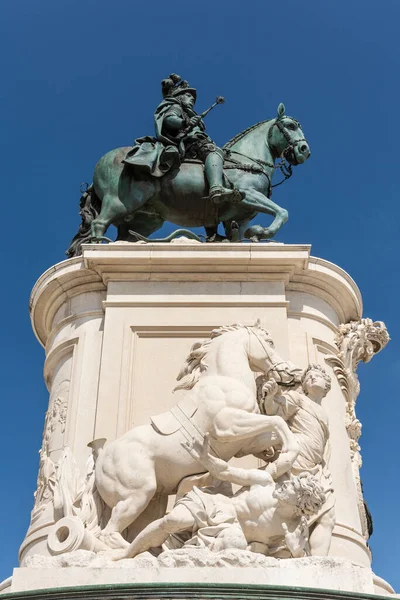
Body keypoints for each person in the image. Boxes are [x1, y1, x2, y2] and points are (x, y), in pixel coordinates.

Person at [110, 434, 325, 560]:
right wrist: (206, 459)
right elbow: (227, 473)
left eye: (291, 486)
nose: (285, 483)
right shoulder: (265, 482)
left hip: (232, 531)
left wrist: (295, 551)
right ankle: (127, 553)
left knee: (234, 542)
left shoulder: (292, 529)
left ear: (299, 502)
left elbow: (266, 552)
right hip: (218, 505)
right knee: (173, 521)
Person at [124, 73, 243, 204]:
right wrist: (185, 122)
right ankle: (216, 188)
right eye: (188, 96)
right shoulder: (176, 107)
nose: (192, 99)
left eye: (193, 97)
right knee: (212, 151)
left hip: (196, 142)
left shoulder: (189, 113)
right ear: (179, 97)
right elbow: (168, 120)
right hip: (187, 143)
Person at [259, 364, 336, 556]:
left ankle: (319, 563)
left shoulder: (325, 414)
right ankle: (290, 551)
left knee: (328, 516)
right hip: (296, 459)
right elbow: (275, 411)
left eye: (316, 375)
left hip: (317, 467)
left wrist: (324, 466)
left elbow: (326, 445)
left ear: (326, 385)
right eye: (308, 376)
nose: (311, 378)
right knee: (294, 513)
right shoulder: (298, 399)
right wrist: (269, 398)